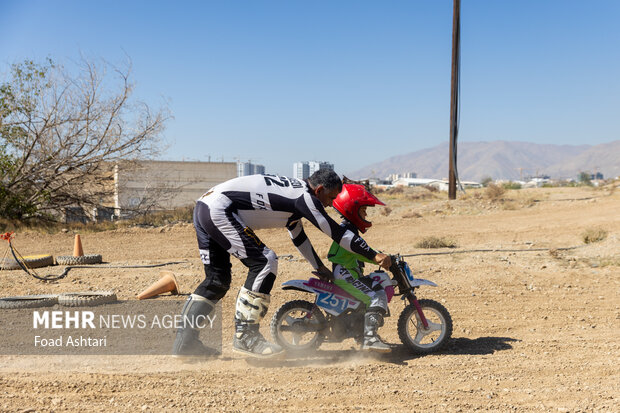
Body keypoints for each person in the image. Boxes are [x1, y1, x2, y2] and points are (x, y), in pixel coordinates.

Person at [172, 170, 392, 358]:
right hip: (220, 210)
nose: (329, 204)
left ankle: (185, 343)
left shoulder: (294, 196)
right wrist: (373, 255)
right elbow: (336, 233)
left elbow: (298, 236)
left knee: (216, 280)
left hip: (205, 206)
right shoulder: (306, 197)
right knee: (265, 261)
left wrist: (318, 267)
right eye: (329, 198)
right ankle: (246, 336)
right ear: (319, 190)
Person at [328, 183, 393, 353]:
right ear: (352, 210)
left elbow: (363, 251)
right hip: (345, 274)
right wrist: (379, 258)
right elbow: (364, 252)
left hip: (345, 272)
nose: (365, 215)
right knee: (376, 296)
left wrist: (379, 255)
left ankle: (360, 333)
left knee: (367, 294)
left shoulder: (347, 230)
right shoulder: (348, 234)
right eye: (363, 211)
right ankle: (370, 339)